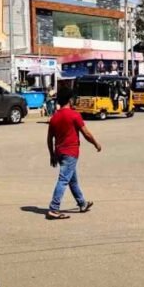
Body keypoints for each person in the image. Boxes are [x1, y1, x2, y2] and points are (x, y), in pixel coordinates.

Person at [46, 90, 101, 220]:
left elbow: (49, 138)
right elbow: (86, 133)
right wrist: (96, 143)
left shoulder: (54, 117)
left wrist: (52, 154)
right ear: (70, 100)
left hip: (59, 152)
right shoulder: (74, 115)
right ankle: (54, 208)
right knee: (64, 179)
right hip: (70, 153)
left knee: (72, 179)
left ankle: (82, 203)